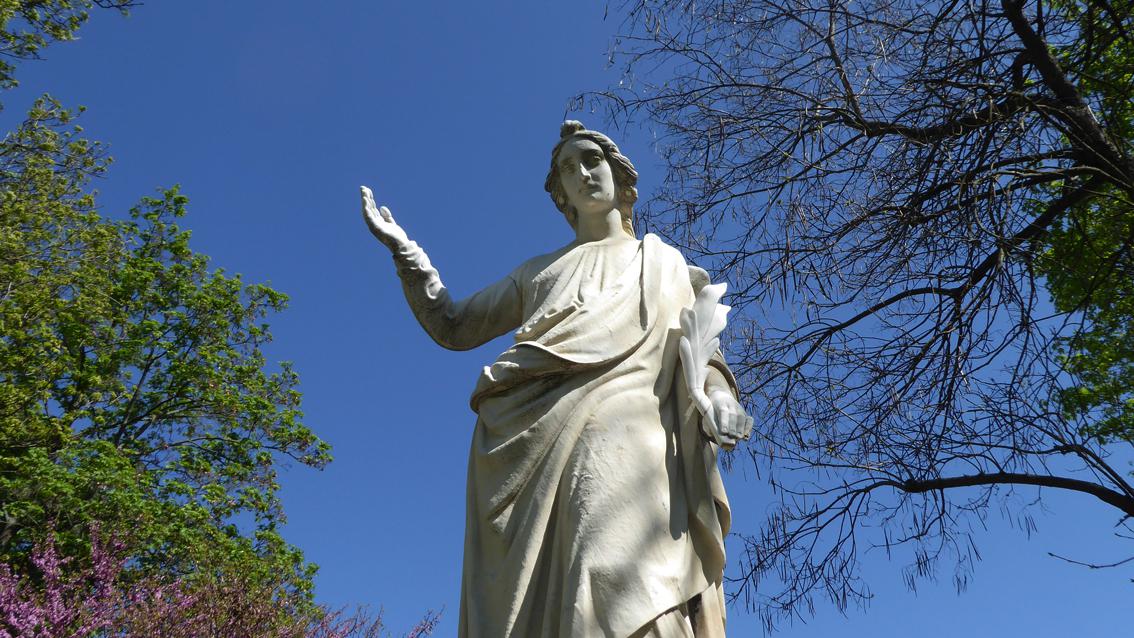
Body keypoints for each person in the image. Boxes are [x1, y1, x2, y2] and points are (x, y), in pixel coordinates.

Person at [361, 121, 752, 637]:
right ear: (560, 192)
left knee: (617, 570)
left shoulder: (663, 262)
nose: (583, 173)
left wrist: (720, 397)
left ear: (619, 174)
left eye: (592, 160)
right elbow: (454, 326)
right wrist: (407, 256)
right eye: (568, 168)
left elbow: (699, 348)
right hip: (532, 438)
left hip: (632, 428)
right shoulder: (537, 272)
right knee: (566, 592)